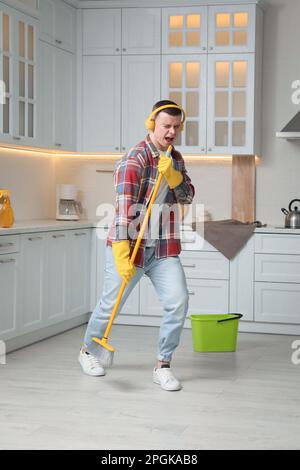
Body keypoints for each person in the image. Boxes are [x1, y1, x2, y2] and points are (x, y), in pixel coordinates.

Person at [78, 100, 195, 391]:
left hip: (163, 247)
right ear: (152, 124)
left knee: (178, 301)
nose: (171, 132)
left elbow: (188, 195)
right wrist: (120, 250)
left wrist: (174, 176)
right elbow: (123, 207)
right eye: (166, 126)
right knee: (110, 305)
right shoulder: (135, 159)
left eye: (176, 127)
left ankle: (163, 365)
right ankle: (88, 352)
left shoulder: (175, 157)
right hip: (130, 245)